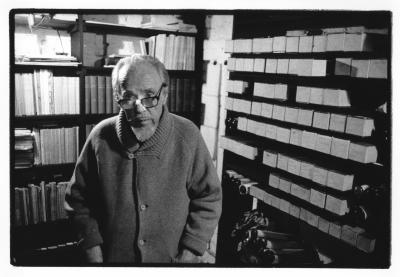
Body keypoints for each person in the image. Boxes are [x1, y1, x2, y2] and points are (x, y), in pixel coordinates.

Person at [65, 55, 222, 264]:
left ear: (164, 94)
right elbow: (78, 200)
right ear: (116, 96)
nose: (139, 108)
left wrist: (190, 253)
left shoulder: (188, 135)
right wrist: (94, 255)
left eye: (149, 96)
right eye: (128, 97)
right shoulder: (100, 136)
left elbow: (208, 198)